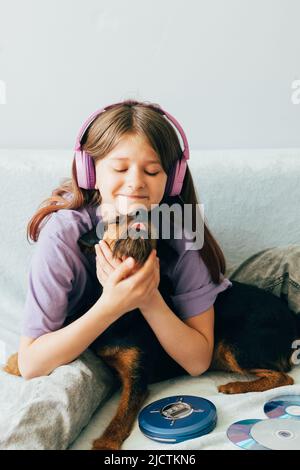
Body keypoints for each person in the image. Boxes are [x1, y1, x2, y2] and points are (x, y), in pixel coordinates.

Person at [17, 99, 237, 380]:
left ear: (172, 180)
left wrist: (148, 298)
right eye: (120, 169)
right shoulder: (63, 235)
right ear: (90, 172)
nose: (135, 182)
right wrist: (112, 305)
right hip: (80, 343)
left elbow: (197, 362)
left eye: (152, 171)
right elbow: (31, 364)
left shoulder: (181, 235)